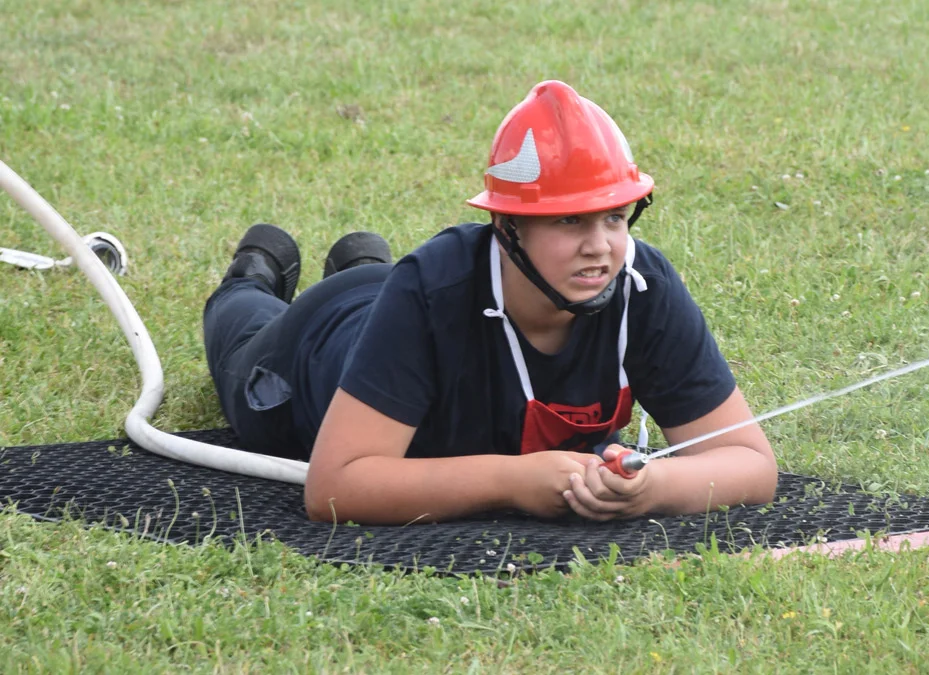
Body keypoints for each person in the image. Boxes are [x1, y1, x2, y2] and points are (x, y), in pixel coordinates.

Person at [203, 80, 777, 525]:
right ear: (507, 227)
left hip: (394, 306)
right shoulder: (432, 291)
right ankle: (258, 268)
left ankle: (364, 259)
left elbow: (752, 465)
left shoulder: (643, 285)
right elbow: (335, 488)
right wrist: (512, 482)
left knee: (383, 283)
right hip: (319, 344)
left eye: (615, 216)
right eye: (568, 220)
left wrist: (649, 489)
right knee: (241, 330)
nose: (599, 247)